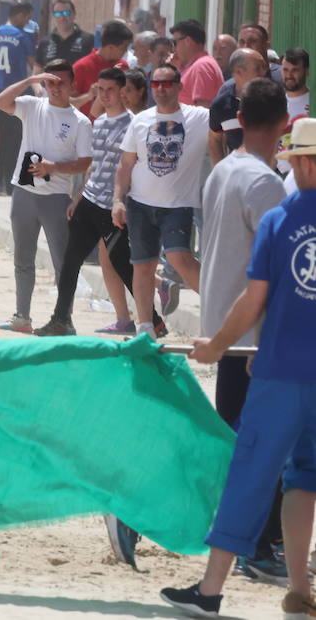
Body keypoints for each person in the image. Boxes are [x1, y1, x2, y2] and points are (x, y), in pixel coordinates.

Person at [158, 114, 316, 619]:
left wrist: (220, 344)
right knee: (307, 479)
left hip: (283, 372)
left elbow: (255, 300)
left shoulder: (281, 219)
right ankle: (297, 590)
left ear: (302, 161)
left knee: (250, 474)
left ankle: (211, 591)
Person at [36, 67, 147, 337]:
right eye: (100, 90)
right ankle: (61, 318)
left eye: (110, 90)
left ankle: (150, 320)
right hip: (90, 199)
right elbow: (94, 164)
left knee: (123, 265)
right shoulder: (99, 122)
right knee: (71, 260)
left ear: (123, 92)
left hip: (114, 205)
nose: (105, 95)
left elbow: (132, 166)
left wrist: (122, 202)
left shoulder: (134, 124)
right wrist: (79, 196)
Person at [0, 59, 93, 333]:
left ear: (72, 84)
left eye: (61, 82)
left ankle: (64, 319)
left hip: (56, 198)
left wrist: (53, 167)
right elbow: (0, 102)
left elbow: (85, 163)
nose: (55, 88)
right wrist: (29, 81)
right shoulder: (32, 105)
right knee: (23, 258)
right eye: (50, 82)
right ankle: (21, 316)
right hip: (24, 192)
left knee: (63, 262)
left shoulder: (79, 121)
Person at [111, 62, 210, 338]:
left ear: (180, 86)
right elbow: (125, 164)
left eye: (168, 84)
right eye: (156, 84)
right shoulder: (140, 120)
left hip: (178, 206)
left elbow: (228, 126)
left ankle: (219, 311)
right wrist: (117, 200)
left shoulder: (199, 118)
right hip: (140, 205)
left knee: (181, 258)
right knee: (142, 265)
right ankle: (145, 329)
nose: (162, 89)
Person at [0, 0, 37, 193]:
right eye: (26, 17)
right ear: (19, 15)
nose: (27, 21)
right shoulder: (22, 36)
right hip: (16, 91)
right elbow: (32, 62)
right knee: (15, 139)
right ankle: (9, 183)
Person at [208, 48, 270, 164]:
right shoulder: (221, 105)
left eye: (264, 67)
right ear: (239, 72)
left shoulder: (274, 99)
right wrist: (221, 171)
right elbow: (215, 139)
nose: (264, 72)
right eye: (258, 68)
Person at [71, 19, 133, 118]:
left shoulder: (124, 67)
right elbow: (67, 104)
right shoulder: (81, 67)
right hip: (90, 129)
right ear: (110, 47)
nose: (126, 51)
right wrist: (88, 96)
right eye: (123, 47)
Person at [171, 18, 225, 108]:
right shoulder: (194, 66)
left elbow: (205, 111)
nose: (174, 49)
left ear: (187, 41)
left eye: (175, 43)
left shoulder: (202, 66)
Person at [35, 0, 93, 69]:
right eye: (57, 14)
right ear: (53, 16)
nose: (62, 17)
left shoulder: (89, 40)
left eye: (66, 13)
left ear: (74, 14)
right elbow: (37, 72)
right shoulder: (44, 42)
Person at [279, 47, 311, 172]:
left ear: (307, 71)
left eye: (295, 70)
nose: (289, 75)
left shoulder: (312, 103)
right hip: (280, 176)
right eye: (285, 70)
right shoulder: (275, 103)